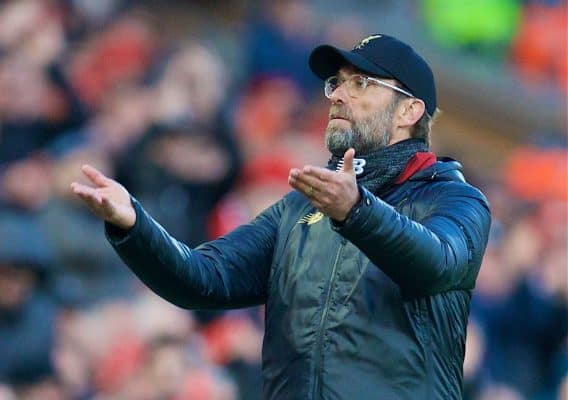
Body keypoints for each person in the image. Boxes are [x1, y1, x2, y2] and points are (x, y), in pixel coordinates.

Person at [72, 34, 491, 399]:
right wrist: (134, 226)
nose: (338, 95)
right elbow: (202, 277)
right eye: (336, 83)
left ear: (409, 111)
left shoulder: (455, 200)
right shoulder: (300, 208)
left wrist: (357, 211)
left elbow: (437, 264)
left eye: (360, 83)